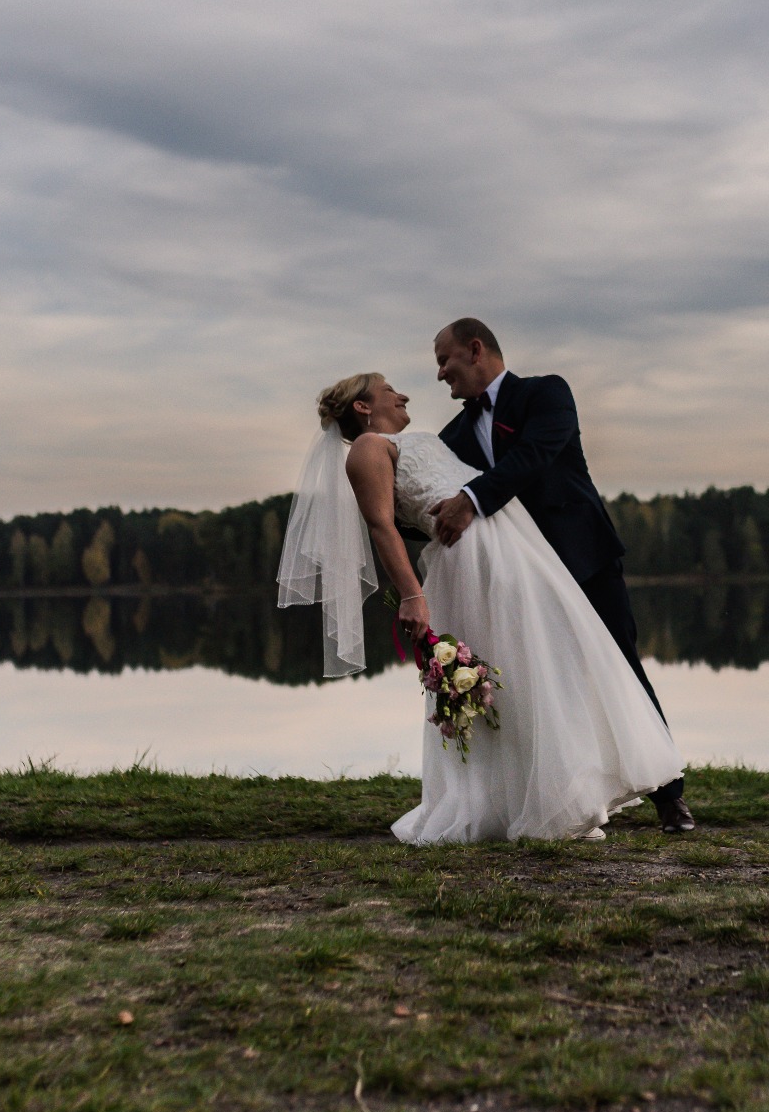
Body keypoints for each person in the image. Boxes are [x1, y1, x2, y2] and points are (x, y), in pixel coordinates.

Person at [277, 371, 685, 843]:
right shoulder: (369, 449)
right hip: (476, 561)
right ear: (364, 408)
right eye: (389, 390)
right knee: (514, 675)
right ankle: (519, 803)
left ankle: (553, 796)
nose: (403, 394)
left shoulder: (416, 440)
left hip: (516, 548)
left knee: (543, 669)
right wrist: (412, 595)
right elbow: (382, 526)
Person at [427, 318, 694, 834]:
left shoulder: (547, 393)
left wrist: (472, 500)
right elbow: (435, 495)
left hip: (583, 559)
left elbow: (534, 456)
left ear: (475, 349)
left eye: (444, 360)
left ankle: (670, 797)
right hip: (520, 580)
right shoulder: (452, 436)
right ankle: (561, 797)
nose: (440, 374)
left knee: (621, 667)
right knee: (542, 686)